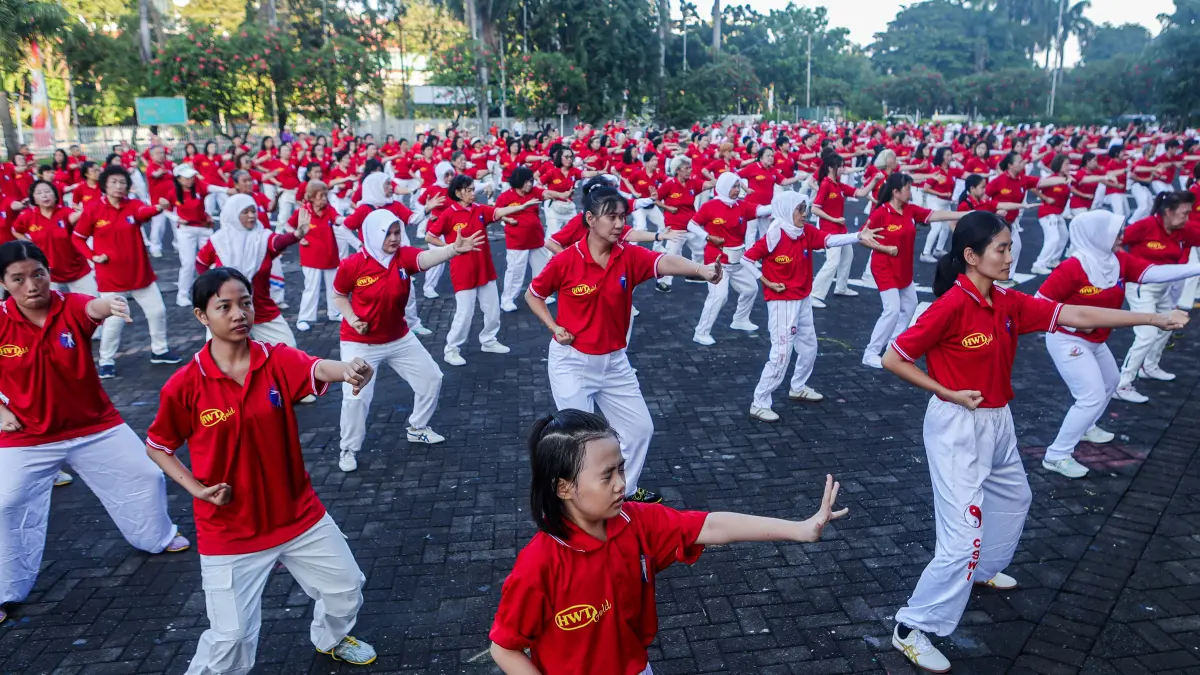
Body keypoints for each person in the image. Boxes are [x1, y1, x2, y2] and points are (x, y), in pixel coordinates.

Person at [881, 211, 1188, 672]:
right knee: (961, 537)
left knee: (1015, 498)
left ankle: (980, 573)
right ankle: (912, 625)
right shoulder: (949, 305)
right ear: (971, 256)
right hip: (956, 425)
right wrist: (944, 390)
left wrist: (1154, 318)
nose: (1010, 255)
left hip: (998, 419)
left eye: (1009, 246)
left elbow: (1077, 313)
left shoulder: (1008, 301)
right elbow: (894, 357)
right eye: (1001, 249)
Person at [488, 410, 848, 675]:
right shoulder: (540, 564)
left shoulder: (636, 520)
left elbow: (711, 525)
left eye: (621, 469)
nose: (620, 484)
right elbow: (505, 648)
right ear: (564, 487)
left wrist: (800, 529)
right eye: (606, 476)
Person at [145, 267, 379, 674]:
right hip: (230, 530)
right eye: (225, 307)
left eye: (246, 303)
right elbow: (158, 446)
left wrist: (350, 369)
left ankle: (331, 638)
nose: (240, 314)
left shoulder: (275, 360)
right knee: (230, 639)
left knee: (347, 590)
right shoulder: (185, 385)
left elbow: (319, 368)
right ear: (202, 315)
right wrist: (196, 490)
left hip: (297, 514)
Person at [0, 241, 188, 626]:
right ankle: (5, 589)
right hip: (28, 435)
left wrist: (112, 305)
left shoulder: (70, 305)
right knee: (5, 504)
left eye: (38, 273)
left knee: (146, 474)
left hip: (94, 425)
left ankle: (156, 536)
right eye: (18, 279)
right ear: (4, 283)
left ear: (49, 273)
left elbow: (94, 307)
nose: (31, 285)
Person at [525, 182, 723, 505]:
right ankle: (576, 504)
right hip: (571, 361)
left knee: (640, 430)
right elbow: (533, 295)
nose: (619, 224)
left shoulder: (627, 257)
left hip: (614, 362)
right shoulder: (566, 261)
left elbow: (664, 263)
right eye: (611, 217)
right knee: (581, 441)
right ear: (589, 219)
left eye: (622, 217)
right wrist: (554, 325)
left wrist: (701, 269)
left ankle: (623, 491)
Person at [1036, 210, 1200, 478]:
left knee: (1111, 382)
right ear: (1097, 235)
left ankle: (1086, 427)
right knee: (1090, 396)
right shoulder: (1072, 267)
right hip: (1067, 340)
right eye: (1116, 232)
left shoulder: (1117, 260)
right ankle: (1056, 455)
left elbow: (1155, 273)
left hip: (1097, 340)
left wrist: (1197, 267)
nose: (1122, 236)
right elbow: (1038, 303)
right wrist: (1073, 323)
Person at [332, 211, 485, 471]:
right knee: (356, 398)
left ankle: (417, 427)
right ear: (373, 234)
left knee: (431, 378)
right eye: (388, 233)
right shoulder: (353, 264)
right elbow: (338, 295)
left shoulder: (402, 256)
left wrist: (453, 250)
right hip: (360, 343)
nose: (394, 238)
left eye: (397, 232)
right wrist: (353, 317)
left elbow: (426, 258)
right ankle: (348, 449)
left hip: (398, 338)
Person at [743, 192, 887, 421]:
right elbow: (747, 259)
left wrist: (858, 235)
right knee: (781, 354)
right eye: (800, 209)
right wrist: (767, 281)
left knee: (809, 347)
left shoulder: (805, 232)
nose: (805, 214)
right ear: (787, 210)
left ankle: (798, 386)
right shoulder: (775, 233)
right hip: (782, 303)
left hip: (802, 298)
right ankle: (759, 401)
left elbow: (830, 239)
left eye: (805, 209)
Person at [72, 165, 182, 378]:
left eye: (123, 182)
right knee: (114, 321)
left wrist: (158, 208)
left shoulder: (133, 205)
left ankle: (159, 350)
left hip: (140, 274)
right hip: (111, 278)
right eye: (113, 182)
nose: (118, 186)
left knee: (157, 311)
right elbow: (77, 237)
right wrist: (92, 255)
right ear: (104, 184)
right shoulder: (93, 209)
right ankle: (106, 360)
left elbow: (143, 213)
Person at [426, 174, 536, 366]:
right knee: (465, 313)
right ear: (458, 192)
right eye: (468, 190)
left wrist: (521, 207)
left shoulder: (479, 209)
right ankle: (451, 349)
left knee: (493, 309)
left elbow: (499, 212)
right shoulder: (449, 213)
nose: (472, 193)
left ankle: (489, 340)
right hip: (463, 270)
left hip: (484, 268)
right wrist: (451, 248)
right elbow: (430, 236)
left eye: (473, 189)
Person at [862, 174, 966, 369]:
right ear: (896, 192)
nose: (911, 191)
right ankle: (871, 352)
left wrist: (963, 215)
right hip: (884, 268)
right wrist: (885, 248)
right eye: (908, 188)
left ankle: (893, 346)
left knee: (910, 306)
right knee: (892, 310)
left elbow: (935, 215)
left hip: (904, 268)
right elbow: (863, 237)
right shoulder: (881, 213)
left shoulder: (910, 210)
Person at [1113, 190, 1200, 403]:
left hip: (1164, 286)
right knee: (1147, 334)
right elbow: (1116, 241)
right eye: (1183, 213)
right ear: (1168, 212)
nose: (1187, 218)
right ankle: (1122, 384)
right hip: (1141, 286)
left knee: (1167, 326)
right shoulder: (1146, 226)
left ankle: (1149, 366)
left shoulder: (1183, 229)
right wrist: (1124, 265)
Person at [197, 194, 306, 347]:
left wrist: (296, 235)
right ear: (233, 214)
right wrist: (210, 289)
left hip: (260, 310)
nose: (252, 216)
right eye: (245, 212)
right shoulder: (218, 240)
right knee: (220, 362)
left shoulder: (262, 237)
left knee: (289, 349)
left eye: (253, 211)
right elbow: (201, 263)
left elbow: (277, 242)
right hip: (226, 313)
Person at [688, 172, 771, 346]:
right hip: (716, 260)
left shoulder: (741, 206)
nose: (737, 189)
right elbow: (692, 224)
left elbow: (762, 210)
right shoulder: (710, 206)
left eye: (738, 186)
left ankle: (740, 319)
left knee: (750, 289)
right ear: (724, 187)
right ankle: (701, 332)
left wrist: (781, 204)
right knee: (719, 296)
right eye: (733, 186)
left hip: (737, 261)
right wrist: (708, 237)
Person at [809, 154, 880, 307]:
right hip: (829, 229)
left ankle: (841, 287)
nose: (843, 169)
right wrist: (833, 219)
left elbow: (860, 193)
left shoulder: (838, 185)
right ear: (830, 168)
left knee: (848, 256)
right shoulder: (826, 184)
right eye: (840, 166)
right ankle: (814, 294)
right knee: (832, 262)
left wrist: (874, 180)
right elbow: (814, 209)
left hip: (840, 228)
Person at [497, 167, 568, 312]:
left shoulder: (534, 192)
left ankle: (541, 294)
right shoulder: (505, 197)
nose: (529, 184)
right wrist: (508, 219)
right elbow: (497, 214)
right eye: (526, 182)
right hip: (517, 242)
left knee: (542, 269)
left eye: (531, 181)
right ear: (518, 182)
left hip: (536, 238)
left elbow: (546, 193)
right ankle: (507, 300)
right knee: (516, 271)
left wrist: (561, 194)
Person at [11, 180, 95, 296]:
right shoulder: (27, 216)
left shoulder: (65, 212)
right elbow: (15, 230)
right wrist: (30, 244)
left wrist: (83, 212)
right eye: (39, 193)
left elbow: (73, 218)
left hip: (78, 270)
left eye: (47, 191)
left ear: (55, 196)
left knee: (91, 303)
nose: (44, 195)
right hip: (48, 272)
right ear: (33, 199)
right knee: (51, 309)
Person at [289, 181, 343, 332]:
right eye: (321, 196)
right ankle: (305, 317)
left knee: (333, 287)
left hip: (330, 255)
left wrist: (349, 220)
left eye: (325, 195)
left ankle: (335, 312)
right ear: (311, 197)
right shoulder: (303, 211)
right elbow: (289, 225)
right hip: (311, 257)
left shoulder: (329, 210)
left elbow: (338, 219)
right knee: (311, 288)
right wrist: (299, 237)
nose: (324, 199)